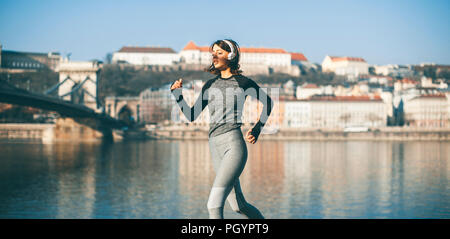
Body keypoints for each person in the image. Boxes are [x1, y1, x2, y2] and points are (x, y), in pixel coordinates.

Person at [170, 39, 273, 219]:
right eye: (213, 52)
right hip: (214, 145)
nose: (214, 55)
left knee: (213, 204)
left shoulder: (243, 82)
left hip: (233, 146)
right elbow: (191, 115)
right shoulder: (210, 85)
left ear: (231, 56)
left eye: (219, 52)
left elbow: (268, 103)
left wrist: (257, 128)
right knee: (238, 206)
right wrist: (178, 95)